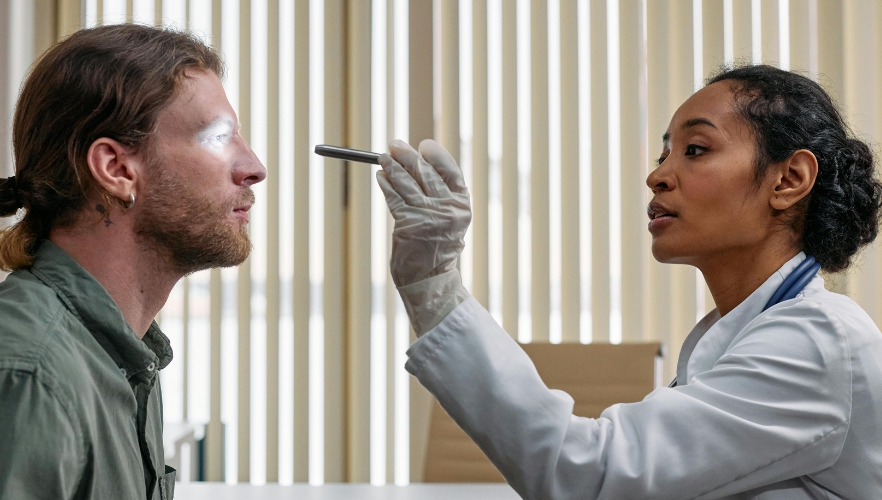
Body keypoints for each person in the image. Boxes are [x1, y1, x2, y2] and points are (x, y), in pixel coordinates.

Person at [376, 65, 882, 499]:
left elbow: (593, 475)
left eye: (696, 149)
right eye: (665, 154)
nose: (658, 176)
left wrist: (433, 284)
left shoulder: (816, 339)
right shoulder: (747, 333)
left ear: (789, 179)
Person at [0, 25, 265, 500]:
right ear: (117, 170)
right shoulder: (27, 378)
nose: (254, 167)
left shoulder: (124, 356)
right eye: (219, 137)